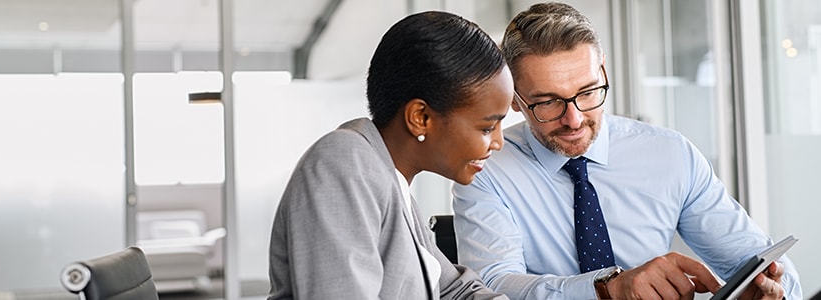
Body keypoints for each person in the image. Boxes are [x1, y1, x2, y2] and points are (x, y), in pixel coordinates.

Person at [451, 2, 802, 300]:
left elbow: (762, 262)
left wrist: (771, 288)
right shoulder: (485, 167)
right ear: (514, 97)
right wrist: (607, 288)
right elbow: (491, 287)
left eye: (588, 92)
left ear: (603, 70)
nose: (574, 119)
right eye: (548, 102)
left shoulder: (669, 153)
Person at [268, 11, 514, 299]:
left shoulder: (392, 184)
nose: (498, 142)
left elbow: (454, 289)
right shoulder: (344, 165)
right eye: (487, 127)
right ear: (420, 117)